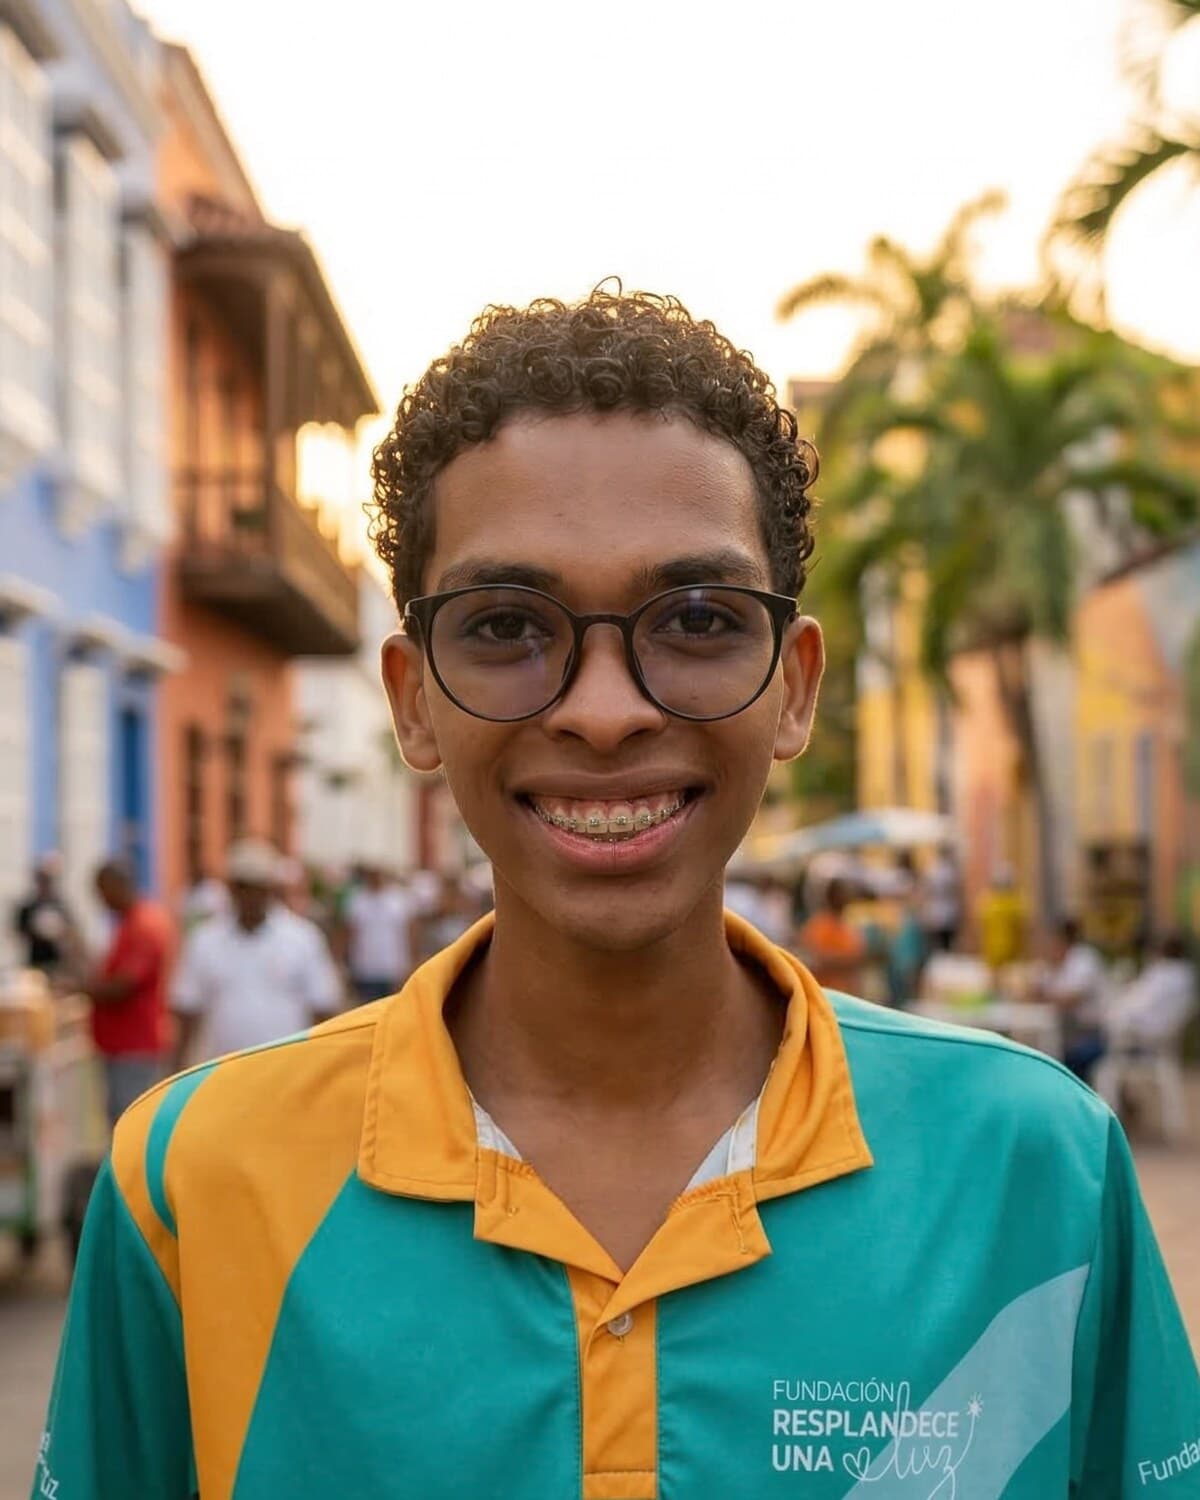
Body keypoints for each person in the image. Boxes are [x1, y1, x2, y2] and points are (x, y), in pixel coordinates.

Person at [36, 287, 1198, 1497]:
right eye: (503, 625)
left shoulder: (1033, 1169)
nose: (602, 710)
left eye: (696, 618)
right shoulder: (196, 1182)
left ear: (794, 686)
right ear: (413, 700)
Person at [171, 839, 344, 1068]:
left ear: (270, 888)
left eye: (257, 887)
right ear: (231, 888)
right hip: (220, 1074)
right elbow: (187, 1008)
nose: (250, 895)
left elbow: (323, 1006)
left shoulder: (302, 938)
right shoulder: (205, 940)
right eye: (243, 886)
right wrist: (176, 1068)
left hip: (287, 1071)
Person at [74, 858, 173, 1128]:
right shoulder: (128, 923)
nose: (100, 900)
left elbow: (122, 987)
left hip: (135, 1045)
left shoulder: (145, 926)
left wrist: (80, 987)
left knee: (131, 1125)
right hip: (119, 1043)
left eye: (102, 891)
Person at [1032, 917, 1110, 1082]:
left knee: (1051, 1057)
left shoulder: (1084, 958)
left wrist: (1044, 994)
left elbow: (1071, 998)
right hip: (1069, 1031)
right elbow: (1036, 991)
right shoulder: (1058, 962)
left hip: (1093, 1034)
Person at [338, 863, 420, 1003]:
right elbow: (348, 931)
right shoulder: (357, 900)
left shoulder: (400, 899)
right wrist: (341, 960)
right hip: (365, 968)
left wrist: (412, 962)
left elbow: (411, 933)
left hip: (394, 968)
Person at [794, 876, 867, 993]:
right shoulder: (819, 925)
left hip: (846, 994)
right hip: (825, 994)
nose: (845, 898)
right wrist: (846, 961)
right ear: (831, 896)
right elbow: (816, 960)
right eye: (841, 893)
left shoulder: (848, 925)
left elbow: (858, 957)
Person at [12, 854, 78, 976]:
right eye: (42, 880)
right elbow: (18, 931)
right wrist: (36, 931)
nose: (45, 884)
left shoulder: (60, 906)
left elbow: (71, 931)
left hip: (56, 960)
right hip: (35, 958)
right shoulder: (28, 907)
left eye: (48, 880)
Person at [977, 862, 1027, 972]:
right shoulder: (1015, 903)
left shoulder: (988, 903)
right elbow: (1022, 929)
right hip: (1011, 954)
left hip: (993, 953)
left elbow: (982, 928)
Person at [918, 842, 961, 953]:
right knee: (947, 942)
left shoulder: (933, 869)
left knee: (938, 943)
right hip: (948, 910)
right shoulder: (951, 870)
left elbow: (926, 890)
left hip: (937, 911)